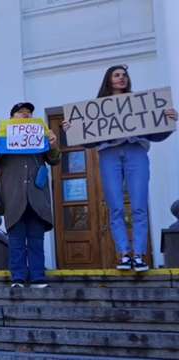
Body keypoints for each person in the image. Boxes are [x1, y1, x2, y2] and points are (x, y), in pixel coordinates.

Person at [62, 65, 177, 272]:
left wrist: (168, 123)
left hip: (136, 152)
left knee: (139, 205)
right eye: (117, 75)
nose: (121, 78)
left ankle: (139, 255)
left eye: (124, 75)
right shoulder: (97, 107)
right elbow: (89, 140)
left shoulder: (139, 103)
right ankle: (124, 254)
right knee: (115, 206)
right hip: (109, 155)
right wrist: (73, 131)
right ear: (109, 80)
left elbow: (155, 133)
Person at [0, 102, 61, 288]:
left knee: (36, 238)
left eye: (29, 113)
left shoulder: (40, 135)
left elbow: (55, 160)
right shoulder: (4, 137)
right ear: (12, 118)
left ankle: (37, 276)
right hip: (14, 197)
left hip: (36, 196)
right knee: (16, 239)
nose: (26, 115)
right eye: (21, 113)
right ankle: (17, 277)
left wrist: (53, 145)